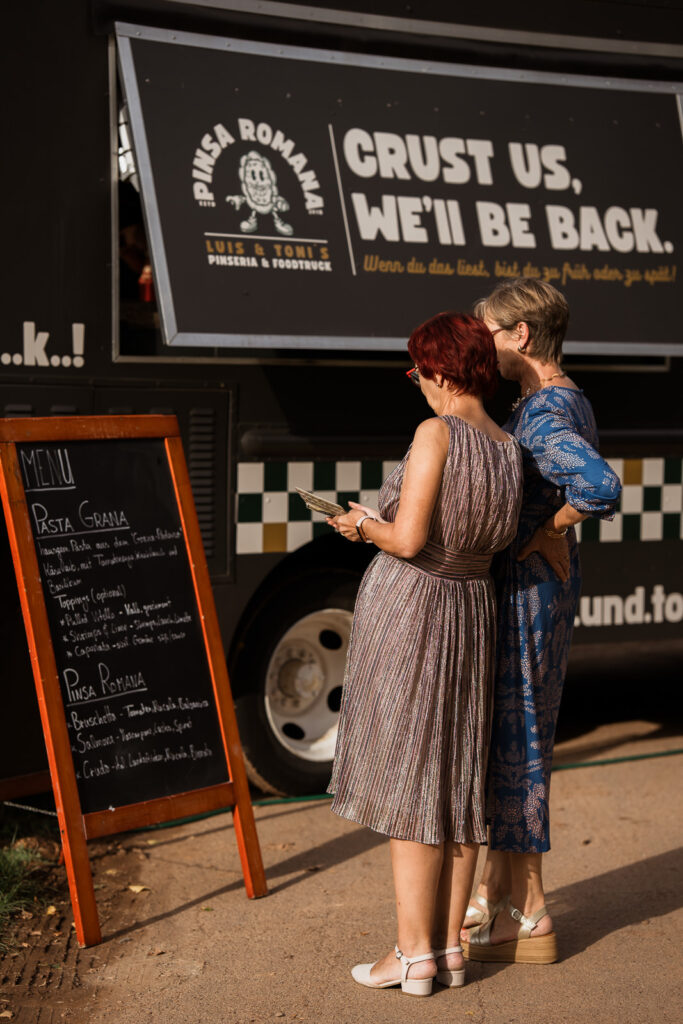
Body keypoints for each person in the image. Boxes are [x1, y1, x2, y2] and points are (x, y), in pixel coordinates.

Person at [326, 312, 523, 996]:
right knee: (456, 780)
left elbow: (408, 539)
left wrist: (359, 524)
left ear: (440, 371)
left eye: (417, 370)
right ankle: (448, 949)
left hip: (414, 612)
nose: (416, 383)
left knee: (412, 778)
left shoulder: (436, 433)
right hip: (471, 611)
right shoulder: (504, 445)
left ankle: (411, 956)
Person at [460, 278, 621, 964]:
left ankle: (527, 911)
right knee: (519, 739)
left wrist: (548, 528)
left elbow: (598, 486)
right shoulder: (564, 396)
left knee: (517, 738)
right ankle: (500, 902)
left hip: (528, 593)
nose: (483, 344)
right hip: (542, 592)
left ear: (520, 335)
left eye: (490, 331)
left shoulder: (543, 411)